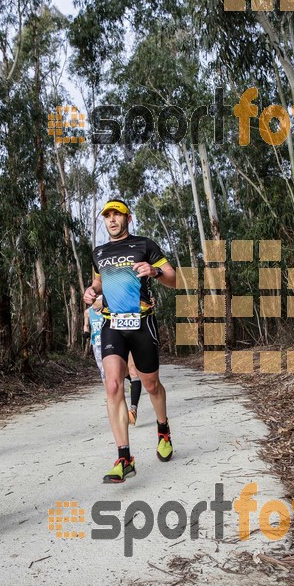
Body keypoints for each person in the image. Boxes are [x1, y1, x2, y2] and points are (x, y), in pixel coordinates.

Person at [83, 198, 176, 483]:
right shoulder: (99, 252)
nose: (112, 219)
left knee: (150, 384)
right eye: (107, 215)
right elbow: (99, 282)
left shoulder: (144, 245)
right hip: (112, 322)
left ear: (128, 218)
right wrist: (91, 291)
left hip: (142, 321)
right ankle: (124, 458)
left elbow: (173, 278)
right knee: (112, 385)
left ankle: (163, 430)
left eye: (117, 214)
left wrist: (155, 271)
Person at [83, 296, 142, 423]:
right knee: (117, 375)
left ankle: (133, 409)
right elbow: (95, 304)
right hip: (111, 339)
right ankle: (120, 400)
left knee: (133, 371)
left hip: (130, 331)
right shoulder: (99, 301)